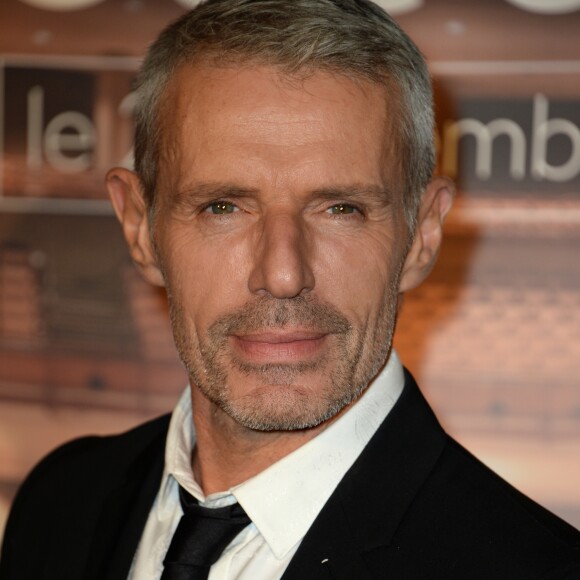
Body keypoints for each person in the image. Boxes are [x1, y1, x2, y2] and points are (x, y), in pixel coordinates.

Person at [1, 0, 579, 578]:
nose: (282, 274)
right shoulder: (59, 501)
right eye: (222, 207)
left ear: (423, 234)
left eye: (341, 208)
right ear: (140, 229)